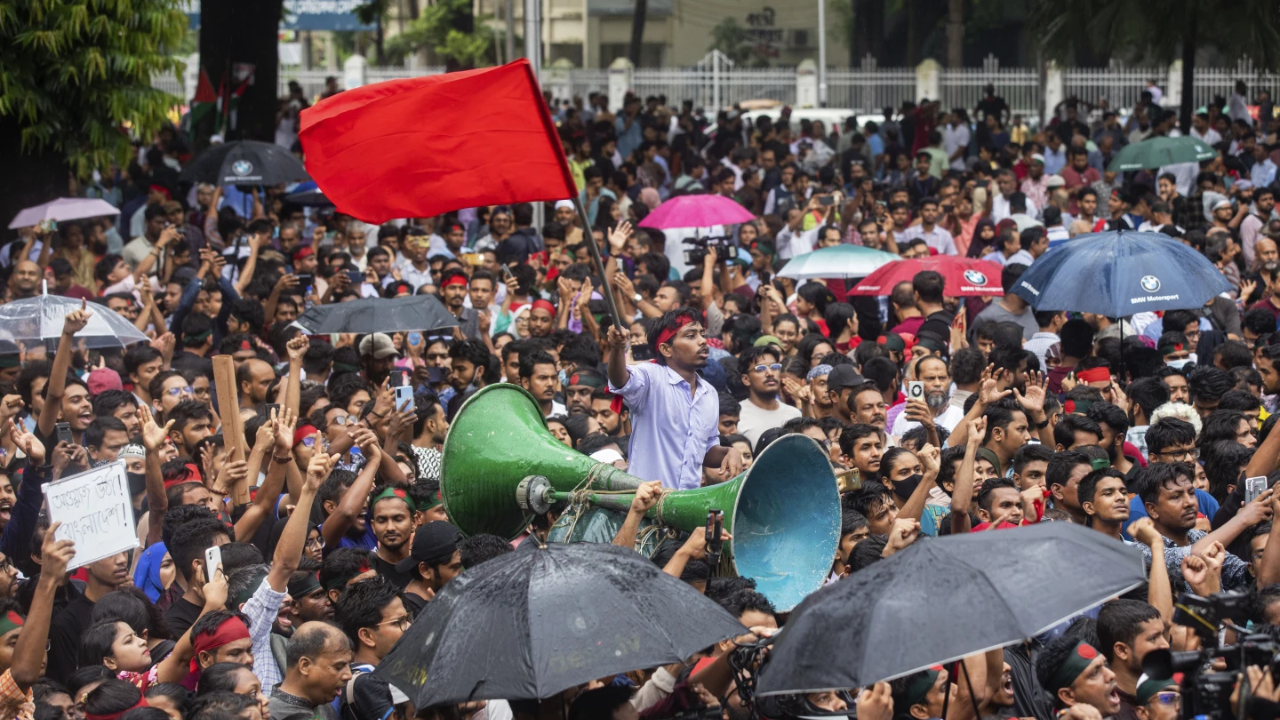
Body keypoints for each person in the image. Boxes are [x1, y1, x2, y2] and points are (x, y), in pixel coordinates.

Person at [605, 308, 742, 490]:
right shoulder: (650, 377)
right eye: (691, 335)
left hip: (685, 508)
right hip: (645, 503)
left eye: (702, 334)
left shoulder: (709, 393)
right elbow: (619, 379)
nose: (702, 340)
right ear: (666, 349)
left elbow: (705, 450)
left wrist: (729, 452)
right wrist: (617, 348)